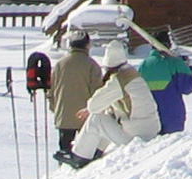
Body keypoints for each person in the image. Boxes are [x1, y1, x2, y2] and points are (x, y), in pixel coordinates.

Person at [56, 40, 159, 168]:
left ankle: (79, 156)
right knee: (108, 116)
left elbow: (94, 105)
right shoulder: (133, 75)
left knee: (97, 118)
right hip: (150, 133)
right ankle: (96, 152)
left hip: (135, 138)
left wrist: (88, 109)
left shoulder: (119, 80)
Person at [48, 33, 103, 155]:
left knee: (65, 153)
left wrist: (56, 109)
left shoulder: (59, 64)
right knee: (85, 153)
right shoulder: (92, 65)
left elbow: (51, 91)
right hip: (85, 118)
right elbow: (98, 92)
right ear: (87, 45)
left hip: (64, 117)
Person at [138, 28, 192, 134]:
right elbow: (187, 87)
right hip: (172, 117)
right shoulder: (175, 63)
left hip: (149, 117)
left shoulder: (143, 65)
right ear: (168, 44)